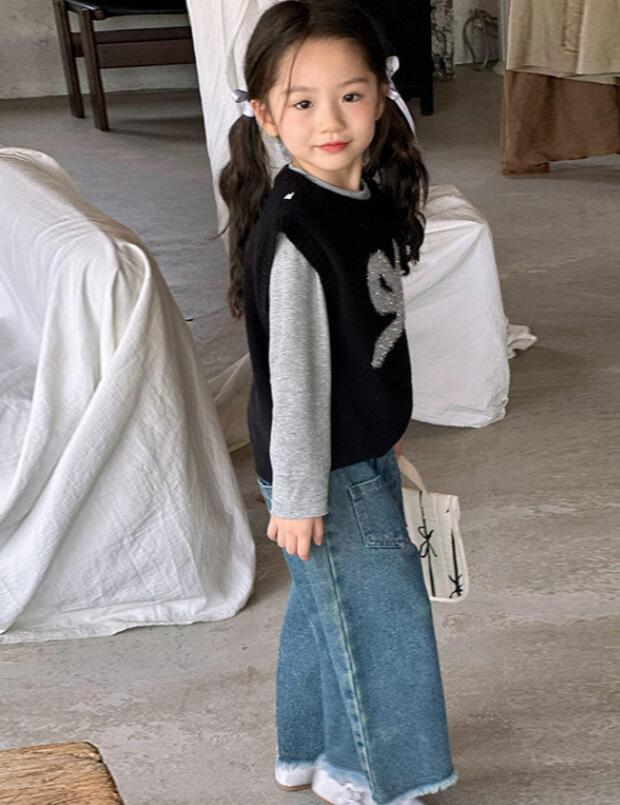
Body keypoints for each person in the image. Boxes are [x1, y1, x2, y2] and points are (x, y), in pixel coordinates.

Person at [219, 2, 459, 803]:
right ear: (265, 114)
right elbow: (292, 379)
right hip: (320, 467)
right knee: (384, 622)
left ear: (382, 95)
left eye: (351, 95)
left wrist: (383, 426)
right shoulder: (299, 234)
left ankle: (308, 748)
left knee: (328, 604)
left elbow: (367, 341)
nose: (330, 121)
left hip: (356, 448)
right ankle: (367, 772)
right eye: (302, 101)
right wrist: (296, 494)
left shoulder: (364, 199)